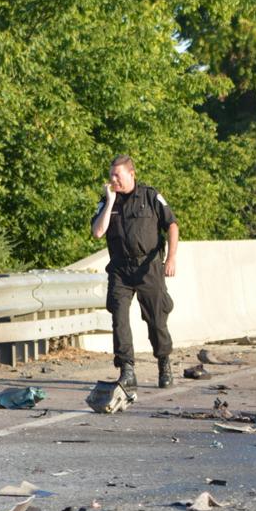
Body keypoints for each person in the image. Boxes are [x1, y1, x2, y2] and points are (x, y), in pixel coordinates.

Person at [90, 155, 179, 395]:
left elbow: (172, 225)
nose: (113, 179)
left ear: (131, 174)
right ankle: (127, 370)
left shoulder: (150, 196)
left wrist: (170, 258)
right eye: (111, 175)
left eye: (117, 175)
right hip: (120, 268)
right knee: (119, 317)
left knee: (156, 319)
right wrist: (109, 202)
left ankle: (163, 363)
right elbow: (98, 232)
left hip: (148, 266)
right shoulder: (108, 201)